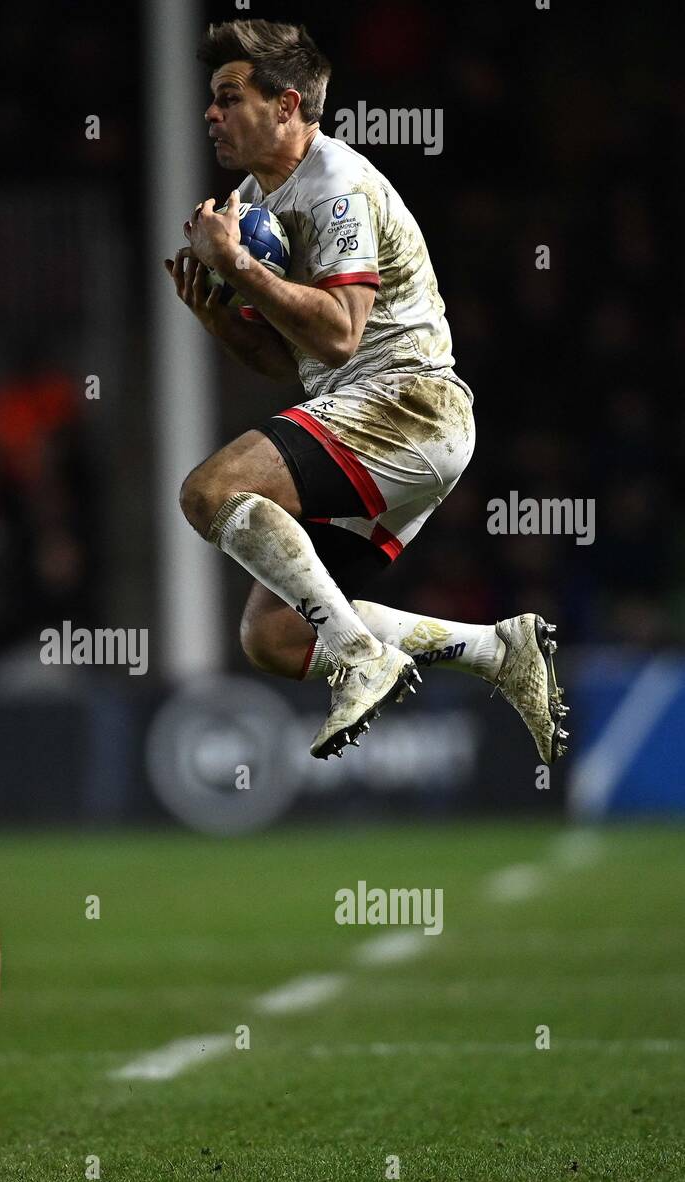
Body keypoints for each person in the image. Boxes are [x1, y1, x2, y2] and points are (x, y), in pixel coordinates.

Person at [168, 19, 567, 765]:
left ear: (286, 105)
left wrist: (242, 269)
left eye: (228, 97)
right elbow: (293, 360)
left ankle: (358, 654)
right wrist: (216, 316)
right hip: (370, 412)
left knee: (208, 492)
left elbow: (342, 335)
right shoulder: (255, 201)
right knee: (275, 636)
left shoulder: (335, 186)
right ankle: (496, 650)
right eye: (210, 100)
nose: (210, 114)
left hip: (408, 403)